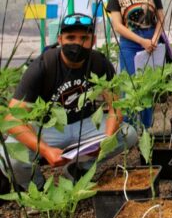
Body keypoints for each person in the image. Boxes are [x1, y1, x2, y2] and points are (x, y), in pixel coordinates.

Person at [0, 13, 137, 190]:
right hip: (48, 128)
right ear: (60, 39)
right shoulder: (43, 66)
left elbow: (115, 108)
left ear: (93, 40)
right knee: (10, 157)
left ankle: (78, 168)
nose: (77, 44)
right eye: (70, 37)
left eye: (84, 38)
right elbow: (12, 119)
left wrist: (106, 138)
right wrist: (45, 150)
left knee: (129, 134)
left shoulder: (99, 63)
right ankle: (37, 188)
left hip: (86, 125)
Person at [107, 0, 165, 128]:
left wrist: (153, 39)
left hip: (152, 44)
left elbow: (161, 18)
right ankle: (130, 129)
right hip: (130, 45)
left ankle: (146, 127)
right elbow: (117, 25)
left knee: (148, 87)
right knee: (130, 88)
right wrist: (141, 41)